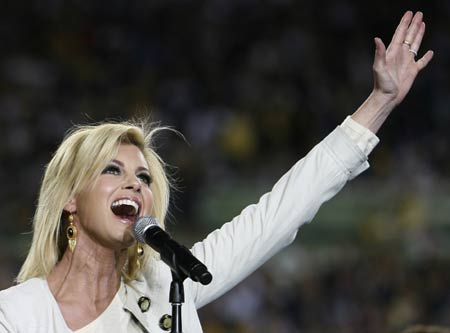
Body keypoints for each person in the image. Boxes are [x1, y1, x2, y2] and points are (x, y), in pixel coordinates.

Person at [0, 11, 433, 333]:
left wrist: (380, 102)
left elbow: (276, 216)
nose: (135, 182)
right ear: (70, 198)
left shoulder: (172, 282)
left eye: (145, 177)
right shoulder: (16, 315)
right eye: (112, 170)